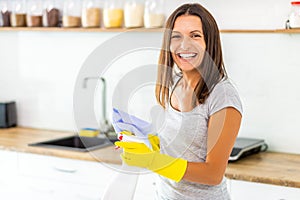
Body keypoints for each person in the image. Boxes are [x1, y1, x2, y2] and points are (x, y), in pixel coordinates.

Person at [115, 3, 243, 200]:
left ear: (210, 42)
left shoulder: (222, 95)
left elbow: (213, 174)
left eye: (195, 35)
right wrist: (145, 141)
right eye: (177, 36)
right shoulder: (173, 84)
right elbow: (179, 147)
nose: (184, 45)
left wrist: (153, 161)